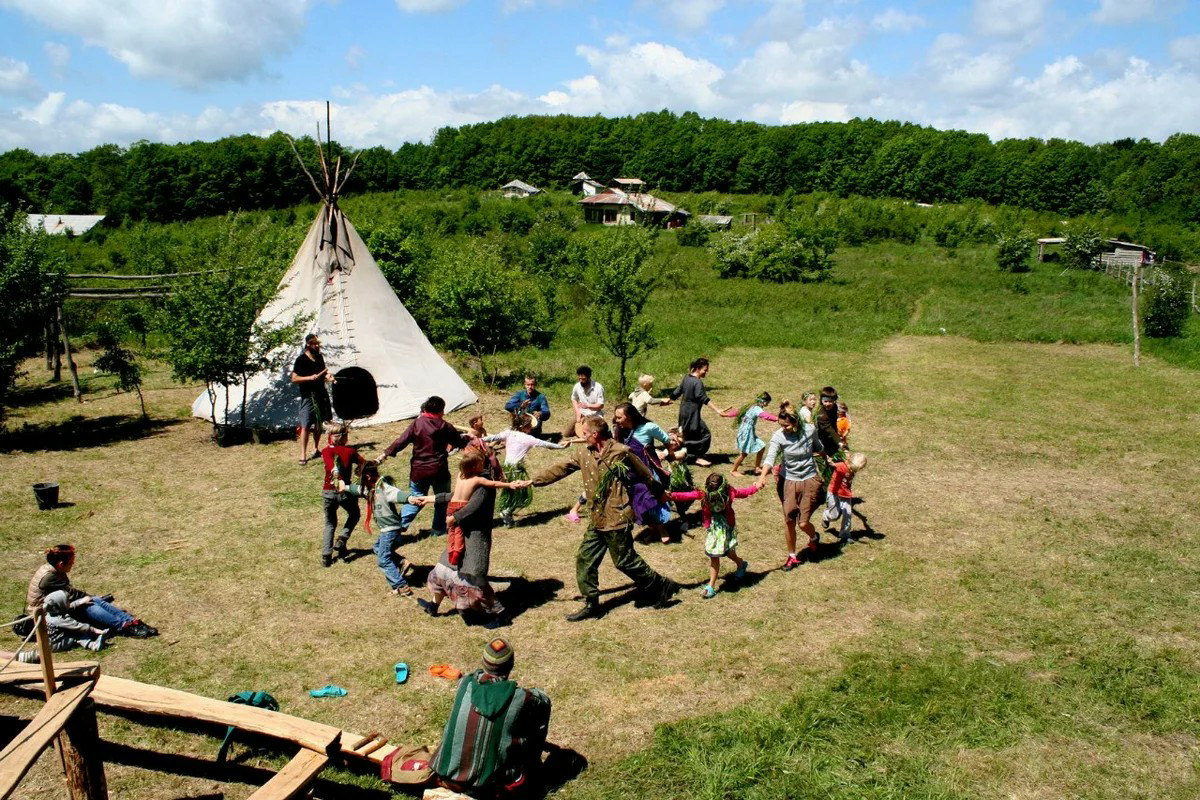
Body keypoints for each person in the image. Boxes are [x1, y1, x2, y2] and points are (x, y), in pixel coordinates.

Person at [531, 416, 680, 621]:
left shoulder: (621, 452)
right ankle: (591, 603)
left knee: (624, 561)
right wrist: (533, 481)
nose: (582, 437)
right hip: (597, 516)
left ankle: (661, 584)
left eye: (585, 433)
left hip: (618, 515)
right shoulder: (584, 453)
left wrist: (660, 493)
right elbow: (563, 467)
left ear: (595, 435)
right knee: (585, 558)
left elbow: (646, 475)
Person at [417, 451, 530, 628]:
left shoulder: (484, 486)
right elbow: (455, 496)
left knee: (476, 582)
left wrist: (455, 518)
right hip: (459, 534)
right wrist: (430, 499)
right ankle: (433, 605)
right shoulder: (469, 477)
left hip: (474, 539)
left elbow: (473, 507)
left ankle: (502, 615)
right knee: (441, 570)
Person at [431, 638, 551, 797]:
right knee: (539, 711)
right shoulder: (522, 698)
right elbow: (543, 701)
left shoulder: (465, 683)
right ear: (511, 664)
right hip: (490, 787)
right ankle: (534, 766)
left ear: (483, 662)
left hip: (447, 774)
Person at [377, 396, 472, 537]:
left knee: (415, 499)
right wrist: (467, 437)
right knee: (441, 500)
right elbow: (458, 442)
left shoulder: (417, 423)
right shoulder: (445, 426)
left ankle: (396, 528)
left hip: (419, 470)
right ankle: (438, 530)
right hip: (439, 470)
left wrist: (384, 454)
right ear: (440, 410)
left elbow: (400, 441)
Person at [25, 544, 157, 638]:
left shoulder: (54, 570)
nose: (73, 564)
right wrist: (87, 598)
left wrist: (90, 597)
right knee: (89, 606)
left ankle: (131, 621)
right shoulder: (49, 577)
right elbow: (71, 595)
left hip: (58, 604)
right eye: (71, 562)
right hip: (45, 613)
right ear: (61, 564)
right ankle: (124, 627)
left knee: (94, 600)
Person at [668, 473, 759, 598]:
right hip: (713, 529)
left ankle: (729, 572)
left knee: (721, 553)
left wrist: (756, 487)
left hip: (726, 527)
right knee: (718, 553)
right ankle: (727, 574)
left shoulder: (729, 492)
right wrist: (671, 496)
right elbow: (688, 495)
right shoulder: (704, 494)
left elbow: (742, 492)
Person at [756, 409, 825, 571]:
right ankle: (792, 556)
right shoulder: (779, 436)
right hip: (789, 481)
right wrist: (762, 476)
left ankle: (814, 537)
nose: (783, 428)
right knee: (789, 519)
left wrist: (828, 459)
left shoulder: (809, 430)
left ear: (795, 421)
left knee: (803, 523)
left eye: (786, 425)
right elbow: (770, 457)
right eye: (781, 425)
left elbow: (818, 447)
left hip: (809, 479)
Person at [340, 464, 420, 596]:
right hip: (387, 529)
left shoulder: (384, 488)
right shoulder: (371, 489)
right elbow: (359, 490)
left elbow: (397, 494)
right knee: (377, 548)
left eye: (361, 480)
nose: (361, 483)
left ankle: (401, 586)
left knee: (383, 559)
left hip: (390, 529)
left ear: (368, 476)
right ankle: (401, 562)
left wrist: (409, 498)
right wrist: (345, 487)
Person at [484, 413, 571, 527]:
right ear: (523, 426)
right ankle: (506, 513)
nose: (531, 427)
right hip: (516, 471)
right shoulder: (528, 439)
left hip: (506, 469)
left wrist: (477, 439)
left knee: (510, 494)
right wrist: (561, 446)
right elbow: (546, 444)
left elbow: (492, 437)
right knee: (521, 496)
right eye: (529, 425)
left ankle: (507, 518)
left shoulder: (509, 433)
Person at [612, 402, 673, 544]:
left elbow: (667, 440)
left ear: (630, 416)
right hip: (629, 475)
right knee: (638, 504)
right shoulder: (619, 430)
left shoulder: (648, 428)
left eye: (619, 417)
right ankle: (653, 529)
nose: (616, 420)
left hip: (647, 474)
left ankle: (662, 529)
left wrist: (669, 455)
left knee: (652, 502)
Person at [670, 357, 733, 467]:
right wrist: (718, 410)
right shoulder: (697, 382)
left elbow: (678, 391)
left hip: (684, 412)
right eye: (705, 370)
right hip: (692, 414)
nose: (705, 373)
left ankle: (684, 452)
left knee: (691, 434)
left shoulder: (687, 378)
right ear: (698, 369)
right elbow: (703, 398)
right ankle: (695, 456)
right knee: (705, 435)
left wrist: (670, 399)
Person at [320, 424, 366, 567]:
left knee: (330, 523)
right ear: (345, 437)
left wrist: (335, 473)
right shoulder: (350, 451)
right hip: (345, 491)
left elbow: (330, 465)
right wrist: (360, 469)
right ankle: (342, 538)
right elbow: (363, 463)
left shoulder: (326, 451)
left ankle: (326, 556)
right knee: (354, 514)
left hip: (328, 492)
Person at [291, 333, 334, 466]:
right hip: (308, 397)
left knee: (319, 423)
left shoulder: (319, 357)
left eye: (318, 344)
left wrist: (329, 377)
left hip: (321, 394)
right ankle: (303, 454)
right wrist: (310, 378)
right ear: (309, 344)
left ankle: (315, 449)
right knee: (306, 425)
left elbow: (324, 373)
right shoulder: (301, 360)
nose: (318, 346)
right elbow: (294, 378)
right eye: (315, 344)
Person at [40, 590, 110, 652]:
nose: (69, 602)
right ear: (59, 605)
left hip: (53, 639)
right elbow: (77, 626)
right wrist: (95, 630)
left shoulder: (53, 612)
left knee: (74, 632)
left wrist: (80, 602)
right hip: (55, 644)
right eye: (67, 601)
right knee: (76, 633)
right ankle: (93, 645)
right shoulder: (60, 619)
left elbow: (68, 607)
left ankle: (93, 637)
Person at [823, 452, 868, 543]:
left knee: (847, 514)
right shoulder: (841, 466)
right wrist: (827, 459)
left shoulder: (853, 469)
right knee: (834, 515)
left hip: (846, 494)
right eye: (861, 467)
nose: (861, 469)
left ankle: (845, 534)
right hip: (834, 492)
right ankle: (826, 516)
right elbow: (832, 464)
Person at [730, 392, 778, 476]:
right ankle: (733, 470)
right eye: (767, 402)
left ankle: (757, 468)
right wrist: (777, 418)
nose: (767, 404)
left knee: (761, 447)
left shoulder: (749, 406)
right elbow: (765, 416)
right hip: (746, 433)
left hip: (748, 432)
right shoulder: (757, 409)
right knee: (744, 453)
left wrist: (726, 414)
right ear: (763, 401)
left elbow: (738, 412)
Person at [562, 365, 604, 439]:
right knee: (566, 434)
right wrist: (578, 412)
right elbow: (574, 398)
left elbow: (600, 405)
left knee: (586, 436)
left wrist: (588, 405)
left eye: (583, 379)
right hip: (582, 413)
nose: (581, 381)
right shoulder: (577, 386)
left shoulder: (598, 387)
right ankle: (579, 427)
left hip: (594, 415)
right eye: (579, 378)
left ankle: (582, 429)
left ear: (589, 377)